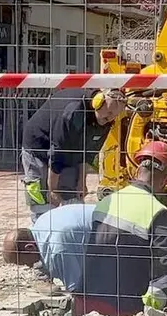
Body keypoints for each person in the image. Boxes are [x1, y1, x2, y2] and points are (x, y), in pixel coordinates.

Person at [79, 141, 167, 316]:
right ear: (165, 178)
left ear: (137, 170)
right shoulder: (156, 211)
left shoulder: (106, 202)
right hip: (120, 307)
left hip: (85, 298)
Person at [20, 89, 127, 221]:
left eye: (115, 115)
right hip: (38, 146)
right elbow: (57, 153)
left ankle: (71, 226)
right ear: (98, 102)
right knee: (43, 198)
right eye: (109, 112)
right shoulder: (73, 112)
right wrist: (53, 189)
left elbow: (86, 153)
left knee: (73, 195)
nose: (110, 118)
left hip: (67, 149)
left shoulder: (106, 121)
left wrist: (82, 182)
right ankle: (40, 225)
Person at [2, 203, 96, 293]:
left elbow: (78, 290)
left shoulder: (57, 250)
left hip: (104, 232)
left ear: (29, 248)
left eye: (24, 262)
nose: (29, 266)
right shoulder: (42, 221)